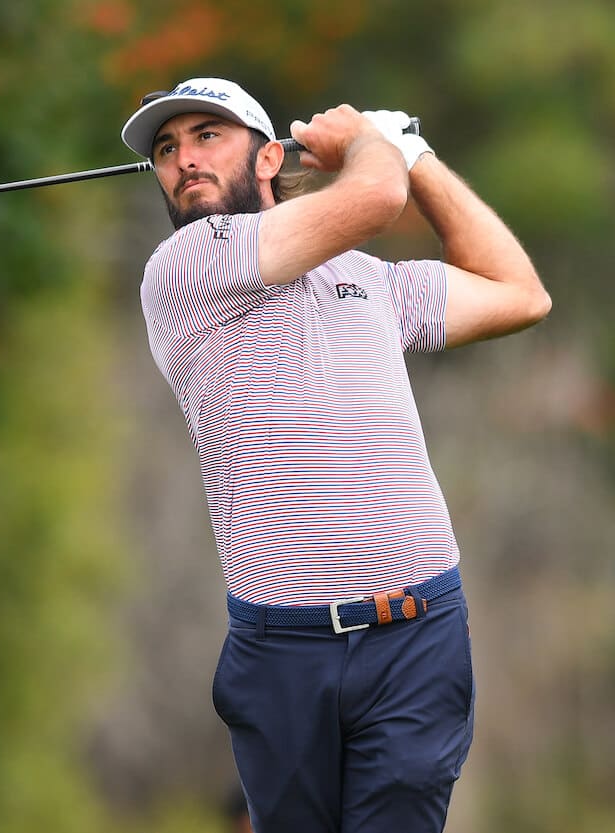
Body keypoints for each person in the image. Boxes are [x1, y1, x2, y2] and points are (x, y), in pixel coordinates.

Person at [120, 78, 550, 833]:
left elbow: (519, 292)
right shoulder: (183, 270)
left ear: (268, 158)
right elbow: (375, 198)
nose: (183, 158)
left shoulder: (371, 282)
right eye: (166, 148)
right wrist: (368, 143)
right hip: (283, 651)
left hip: (418, 633)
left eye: (206, 136)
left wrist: (416, 156)